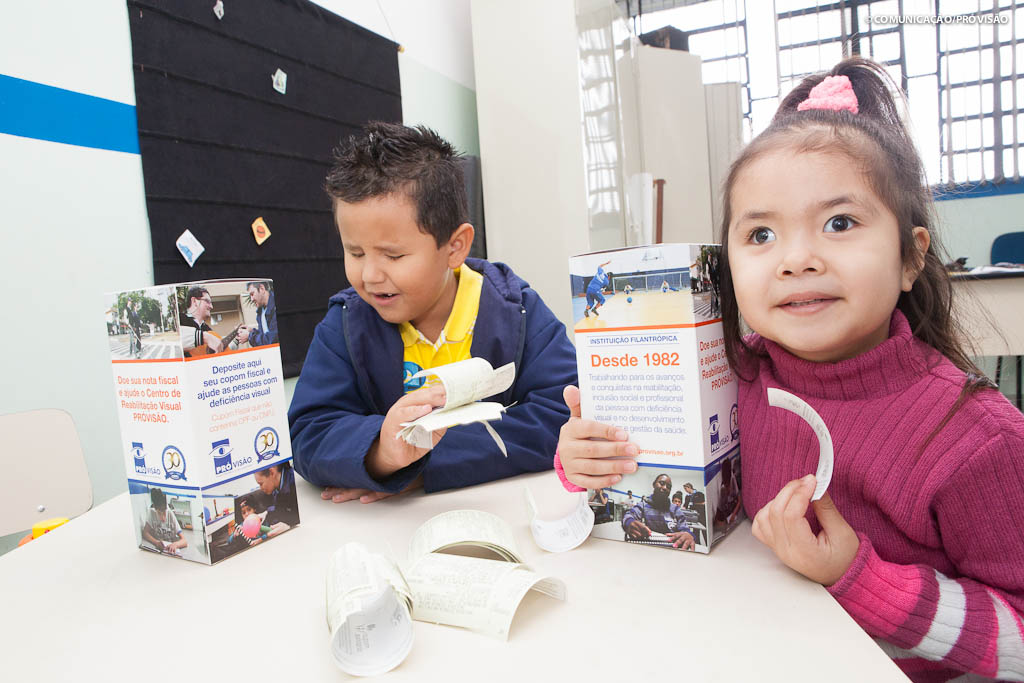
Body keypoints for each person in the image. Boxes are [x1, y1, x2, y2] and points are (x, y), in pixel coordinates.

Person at [553, 58, 1024, 681]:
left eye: (839, 223)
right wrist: (588, 461)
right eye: (761, 235)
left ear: (911, 259)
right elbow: (655, 488)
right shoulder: (729, 375)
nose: (796, 259)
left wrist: (862, 578)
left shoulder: (979, 440)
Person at [288, 122, 576, 503]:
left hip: (503, 510)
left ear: (455, 247)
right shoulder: (345, 324)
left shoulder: (517, 310)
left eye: (393, 255)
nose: (369, 275)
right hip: (387, 529)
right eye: (355, 252)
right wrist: (381, 454)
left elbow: (564, 412)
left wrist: (424, 464)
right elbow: (309, 431)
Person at [621, 474, 695, 550]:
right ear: (654, 484)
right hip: (646, 549)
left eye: (668, 487)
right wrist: (629, 522)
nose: (665, 487)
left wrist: (688, 535)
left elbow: (685, 529)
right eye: (662, 483)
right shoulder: (643, 505)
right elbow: (628, 515)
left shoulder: (675, 509)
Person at [141, 488, 187, 555]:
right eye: (160, 513)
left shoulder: (170, 513)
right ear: (155, 508)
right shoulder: (152, 512)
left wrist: (176, 544)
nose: (163, 518)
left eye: (164, 511)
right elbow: (145, 533)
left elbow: (184, 541)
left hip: (172, 550)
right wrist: (156, 542)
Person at [253, 462, 299, 528]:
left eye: (261, 483)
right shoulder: (276, 489)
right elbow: (280, 508)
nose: (261, 488)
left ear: (272, 472)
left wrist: (289, 525)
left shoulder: (294, 483)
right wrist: (267, 513)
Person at [180, 286, 223, 355]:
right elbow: (175, 339)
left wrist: (235, 340)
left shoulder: (208, 330)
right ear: (194, 301)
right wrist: (203, 337)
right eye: (207, 301)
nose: (211, 307)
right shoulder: (179, 320)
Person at [237, 281, 278, 347]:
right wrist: (252, 331)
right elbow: (265, 334)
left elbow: (273, 340)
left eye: (252, 294)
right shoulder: (261, 312)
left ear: (262, 288)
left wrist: (249, 336)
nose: (251, 299)